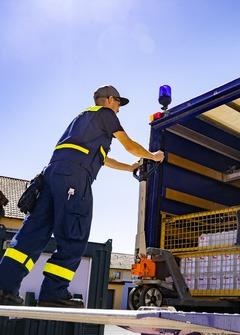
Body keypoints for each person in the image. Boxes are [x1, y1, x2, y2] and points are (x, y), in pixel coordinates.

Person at [0, 85, 164, 308]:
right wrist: (152, 156)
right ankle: (53, 293)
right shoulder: (105, 114)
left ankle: (4, 287)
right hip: (74, 178)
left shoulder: (82, 120)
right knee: (74, 234)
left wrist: (129, 169)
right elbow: (129, 145)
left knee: (32, 234)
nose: (119, 109)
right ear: (107, 100)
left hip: (51, 177)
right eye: (118, 102)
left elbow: (103, 160)